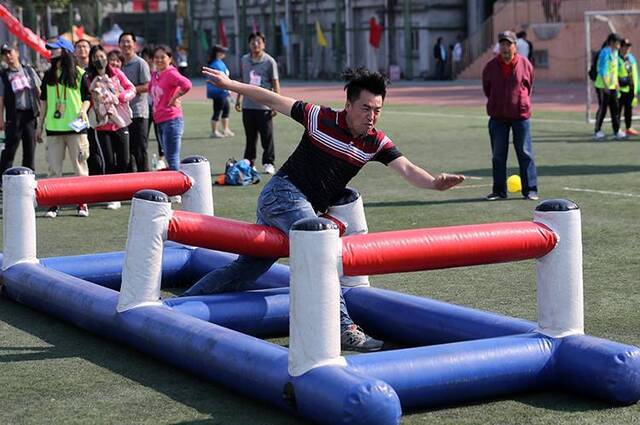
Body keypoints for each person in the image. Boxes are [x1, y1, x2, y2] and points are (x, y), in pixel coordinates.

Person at [186, 66, 465, 352]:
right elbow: (272, 98)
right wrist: (231, 84)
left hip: (300, 207)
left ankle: (181, 306)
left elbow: (406, 168)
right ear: (348, 105)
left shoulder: (375, 142)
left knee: (245, 269)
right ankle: (343, 326)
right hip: (282, 195)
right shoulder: (320, 117)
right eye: (365, 108)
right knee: (322, 252)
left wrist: (434, 183)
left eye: (377, 110)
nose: (371, 116)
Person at [36, 36, 91, 217]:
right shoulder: (48, 75)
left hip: (76, 128)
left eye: (55, 49)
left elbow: (87, 98)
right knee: (53, 169)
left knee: (79, 167)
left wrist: (83, 110)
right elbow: (43, 101)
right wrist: (40, 125)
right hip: (53, 128)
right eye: (51, 49)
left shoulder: (80, 74)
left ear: (65, 51)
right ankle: (54, 204)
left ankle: (82, 203)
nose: (51, 52)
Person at [482, 31, 538, 201]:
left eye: (508, 44)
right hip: (498, 117)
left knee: (525, 152)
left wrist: (520, 101)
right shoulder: (490, 66)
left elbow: (529, 85)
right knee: (498, 155)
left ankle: (530, 190)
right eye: (502, 44)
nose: (505, 48)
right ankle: (499, 191)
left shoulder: (525, 64)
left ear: (515, 46)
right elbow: (487, 89)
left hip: (520, 116)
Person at [86, 45, 136, 210]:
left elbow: (131, 89)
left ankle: (121, 190)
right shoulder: (89, 78)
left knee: (124, 159)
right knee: (108, 161)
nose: (99, 60)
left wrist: (119, 97)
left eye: (101, 56)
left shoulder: (116, 73)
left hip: (120, 122)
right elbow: (86, 97)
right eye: (95, 58)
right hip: (101, 125)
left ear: (106, 58)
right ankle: (112, 196)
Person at [236, 32, 280, 175]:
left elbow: (275, 82)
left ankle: (268, 162)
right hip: (248, 106)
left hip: (264, 106)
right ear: (249, 44)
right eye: (253, 42)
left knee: (267, 136)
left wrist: (275, 103)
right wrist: (238, 99)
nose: (255, 44)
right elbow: (242, 81)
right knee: (250, 137)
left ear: (264, 44)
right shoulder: (244, 60)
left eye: (258, 42)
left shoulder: (269, 61)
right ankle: (249, 162)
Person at [0, 44, 41, 179]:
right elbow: (1, 99)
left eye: (10, 52)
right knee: (9, 151)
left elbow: (39, 91)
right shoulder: (3, 76)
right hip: (14, 117)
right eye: (5, 54)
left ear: (17, 53)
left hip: (30, 115)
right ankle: (3, 179)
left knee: (30, 149)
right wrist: (1, 119)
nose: (8, 56)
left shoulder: (29, 71)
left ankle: (28, 178)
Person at [148, 45, 191, 170]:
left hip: (171, 120)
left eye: (163, 57)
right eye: (156, 57)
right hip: (159, 120)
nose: (159, 60)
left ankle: (179, 187)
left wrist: (175, 97)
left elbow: (187, 84)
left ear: (170, 58)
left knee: (172, 158)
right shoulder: (155, 74)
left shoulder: (171, 73)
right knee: (168, 156)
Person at [119, 33, 152, 171]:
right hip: (123, 115)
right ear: (119, 45)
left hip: (138, 113)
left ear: (134, 44)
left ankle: (146, 181)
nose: (126, 44)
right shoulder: (119, 64)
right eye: (123, 42)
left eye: (128, 41)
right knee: (128, 151)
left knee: (140, 150)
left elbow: (147, 85)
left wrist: (129, 91)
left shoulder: (140, 63)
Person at [593, 33, 624, 141]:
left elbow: (613, 70)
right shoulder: (605, 52)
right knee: (603, 108)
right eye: (618, 42)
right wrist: (606, 85)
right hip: (603, 85)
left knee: (615, 108)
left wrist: (616, 83)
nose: (619, 44)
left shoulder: (615, 53)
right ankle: (597, 130)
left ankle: (617, 130)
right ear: (612, 42)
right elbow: (602, 70)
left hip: (612, 86)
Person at [206, 44, 234, 138]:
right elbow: (218, 79)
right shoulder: (215, 64)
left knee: (226, 109)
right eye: (222, 51)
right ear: (217, 53)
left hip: (224, 91)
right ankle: (214, 132)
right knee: (217, 111)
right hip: (218, 92)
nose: (224, 53)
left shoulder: (220, 62)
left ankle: (226, 129)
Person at [618, 38, 638, 137]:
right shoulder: (616, 58)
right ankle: (617, 129)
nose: (627, 49)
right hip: (619, 89)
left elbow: (635, 73)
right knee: (618, 109)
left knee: (628, 109)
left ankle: (629, 128)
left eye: (629, 46)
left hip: (631, 88)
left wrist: (636, 88)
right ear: (621, 47)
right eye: (625, 46)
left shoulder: (631, 58)